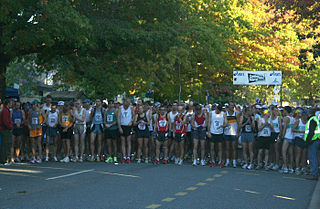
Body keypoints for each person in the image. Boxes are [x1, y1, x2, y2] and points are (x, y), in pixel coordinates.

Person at [304, 109, 320, 180]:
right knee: (314, 157)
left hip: (313, 141)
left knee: (312, 158)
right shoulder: (315, 119)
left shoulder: (312, 120)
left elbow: (311, 132)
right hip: (316, 140)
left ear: (309, 113)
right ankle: (314, 173)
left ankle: (314, 174)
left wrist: (307, 141)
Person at [118, 99, 134, 163]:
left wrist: (131, 122)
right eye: (127, 102)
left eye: (129, 102)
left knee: (128, 141)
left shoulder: (131, 108)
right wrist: (119, 127)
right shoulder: (120, 108)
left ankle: (128, 156)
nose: (128, 103)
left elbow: (134, 116)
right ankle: (124, 156)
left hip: (128, 126)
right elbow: (118, 118)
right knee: (123, 142)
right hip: (122, 125)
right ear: (124, 102)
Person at [224, 102, 240, 168]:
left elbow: (239, 124)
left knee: (234, 148)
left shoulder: (236, 113)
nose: (232, 107)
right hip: (227, 133)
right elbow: (224, 123)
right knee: (227, 148)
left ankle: (234, 161)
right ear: (228, 106)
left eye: (233, 106)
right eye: (231, 105)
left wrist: (238, 132)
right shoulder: (225, 114)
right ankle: (227, 161)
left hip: (234, 133)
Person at [280, 106, 295, 174]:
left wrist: (282, 136)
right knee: (290, 153)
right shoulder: (293, 118)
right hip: (292, 136)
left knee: (283, 152)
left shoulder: (286, 118)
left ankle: (285, 167)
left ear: (286, 111)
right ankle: (291, 168)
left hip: (287, 136)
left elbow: (285, 128)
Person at [292, 110, 307, 175]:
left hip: (305, 139)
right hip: (298, 138)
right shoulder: (298, 121)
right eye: (304, 115)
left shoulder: (307, 122)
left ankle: (303, 168)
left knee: (304, 155)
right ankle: (297, 168)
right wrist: (300, 132)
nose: (305, 117)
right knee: (298, 154)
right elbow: (293, 129)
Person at [104, 100, 119, 164]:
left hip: (114, 129)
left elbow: (117, 120)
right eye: (109, 104)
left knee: (114, 143)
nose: (111, 105)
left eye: (112, 104)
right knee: (108, 143)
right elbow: (104, 120)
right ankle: (109, 156)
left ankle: (115, 157)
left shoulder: (115, 111)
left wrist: (111, 124)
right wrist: (106, 124)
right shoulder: (106, 111)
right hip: (107, 129)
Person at [0, 99, 13, 165]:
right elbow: (5, 121)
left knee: (5, 145)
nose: (11, 104)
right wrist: (10, 127)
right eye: (10, 103)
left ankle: (3, 160)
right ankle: (3, 160)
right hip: (5, 130)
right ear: (8, 103)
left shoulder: (5, 110)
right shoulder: (5, 110)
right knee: (5, 145)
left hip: (4, 129)